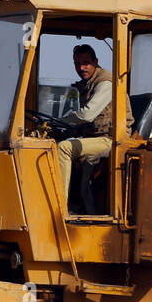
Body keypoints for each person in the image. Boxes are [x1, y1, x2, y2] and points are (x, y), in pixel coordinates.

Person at [56, 44, 132, 209]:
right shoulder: (88, 84)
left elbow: (86, 115)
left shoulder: (105, 83)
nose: (81, 68)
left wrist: (62, 120)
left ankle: (58, 208)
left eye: (86, 62)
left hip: (111, 139)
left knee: (64, 148)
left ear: (95, 62)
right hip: (96, 137)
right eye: (77, 63)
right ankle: (82, 208)